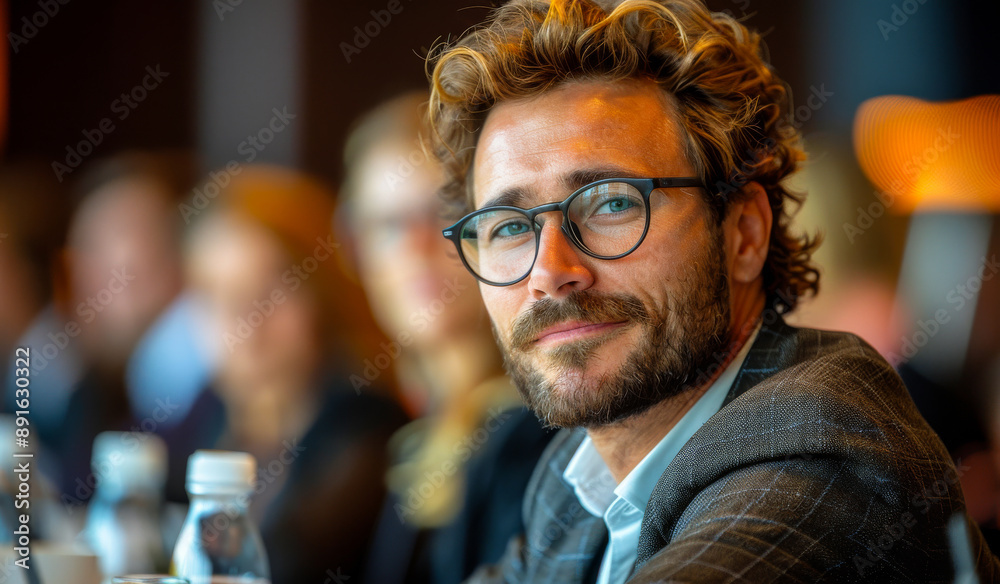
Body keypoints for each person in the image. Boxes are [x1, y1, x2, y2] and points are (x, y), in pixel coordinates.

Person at [425, 0, 1000, 581]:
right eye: (509, 227)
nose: (549, 271)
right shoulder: (575, 475)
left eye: (612, 203)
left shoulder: (827, 446)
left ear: (744, 233)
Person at [338, 92, 553, 583]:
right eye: (388, 226)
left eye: (441, 212)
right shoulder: (417, 423)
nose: (415, 248)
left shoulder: (535, 428)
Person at [178, 165, 407, 583]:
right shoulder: (207, 412)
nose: (245, 321)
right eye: (216, 294)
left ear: (321, 293)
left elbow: (291, 570)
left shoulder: (365, 429)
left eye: (270, 288)